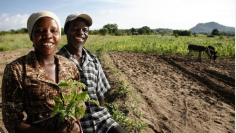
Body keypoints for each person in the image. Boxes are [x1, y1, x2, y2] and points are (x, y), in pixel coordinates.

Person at [2, 11, 83, 133]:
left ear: (59, 35)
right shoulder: (17, 70)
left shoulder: (70, 65)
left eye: (53, 30)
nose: (48, 35)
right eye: (40, 31)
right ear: (31, 36)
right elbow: (12, 122)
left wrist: (74, 120)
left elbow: (80, 101)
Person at [56, 13, 126, 133]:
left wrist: (102, 112)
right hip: (76, 125)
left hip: (101, 121)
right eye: (75, 29)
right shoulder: (56, 61)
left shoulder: (93, 59)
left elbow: (100, 94)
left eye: (85, 30)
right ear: (66, 30)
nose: (81, 32)